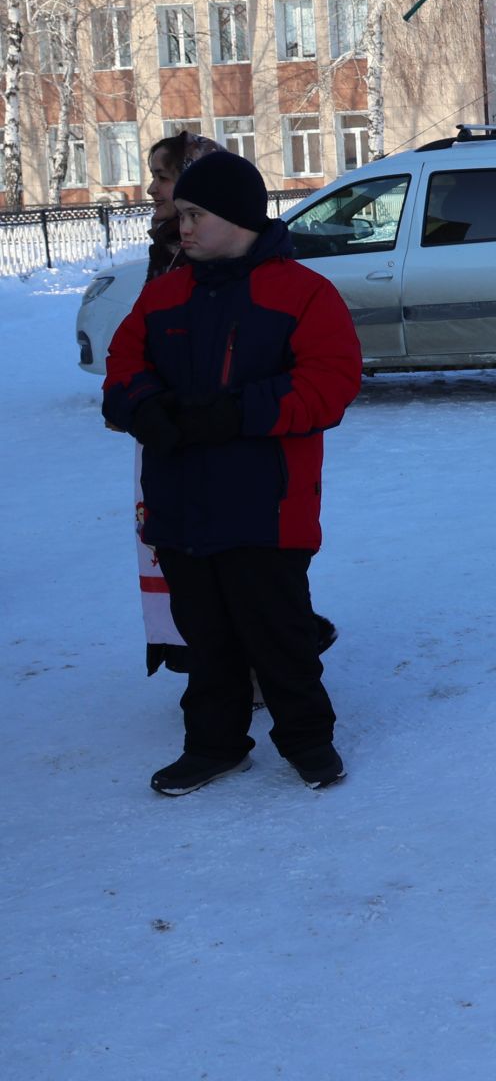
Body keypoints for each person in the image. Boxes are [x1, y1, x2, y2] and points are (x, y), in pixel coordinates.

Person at [102, 150, 362, 794]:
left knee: (278, 636)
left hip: (266, 508)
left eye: (194, 215)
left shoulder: (303, 293)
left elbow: (330, 384)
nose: (180, 228)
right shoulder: (164, 295)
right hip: (180, 505)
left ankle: (308, 742)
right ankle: (214, 745)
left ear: (238, 217)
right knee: (205, 640)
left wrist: (236, 413)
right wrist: (145, 408)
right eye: (179, 214)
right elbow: (121, 368)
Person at [134, 129, 220, 676]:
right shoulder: (166, 247)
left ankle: (259, 652)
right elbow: (139, 340)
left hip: (203, 428)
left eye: (163, 176)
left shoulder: (200, 251)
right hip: (164, 426)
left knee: (215, 545)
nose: (151, 188)